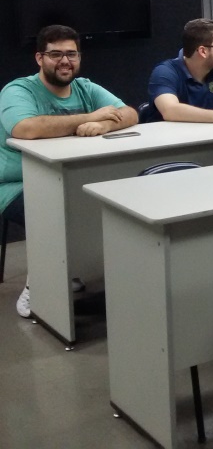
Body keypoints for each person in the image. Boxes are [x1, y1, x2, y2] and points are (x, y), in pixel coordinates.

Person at [0, 25, 138, 318]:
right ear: (39, 58)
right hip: (16, 183)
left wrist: (103, 124)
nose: (65, 61)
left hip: (70, 176)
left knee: (108, 202)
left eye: (72, 54)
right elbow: (25, 128)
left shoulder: (85, 87)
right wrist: (89, 117)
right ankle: (38, 286)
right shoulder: (18, 90)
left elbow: (130, 113)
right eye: (55, 54)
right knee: (55, 210)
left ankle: (71, 266)